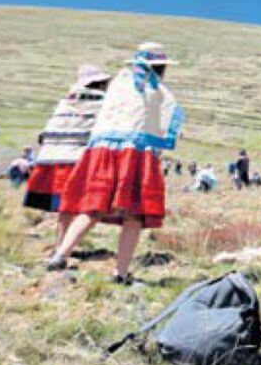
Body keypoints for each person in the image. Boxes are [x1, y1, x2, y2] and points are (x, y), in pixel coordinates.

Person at [44, 43, 184, 285]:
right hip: (136, 154)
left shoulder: (119, 85)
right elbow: (162, 124)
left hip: (103, 152)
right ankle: (120, 273)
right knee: (134, 215)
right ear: (159, 67)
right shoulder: (156, 92)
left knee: (92, 208)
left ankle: (60, 254)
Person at [23, 64, 112, 247]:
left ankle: (61, 244)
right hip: (83, 160)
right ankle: (65, 250)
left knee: (66, 207)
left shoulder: (65, 102)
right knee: (91, 208)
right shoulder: (103, 103)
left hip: (54, 158)